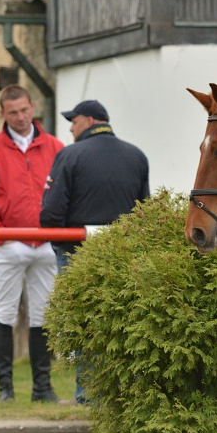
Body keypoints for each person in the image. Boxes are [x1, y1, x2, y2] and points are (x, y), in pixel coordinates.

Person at [40, 99, 150, 404]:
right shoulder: (137, 156)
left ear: (88, 121)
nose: (71, 128)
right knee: (121, 323)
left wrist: (59, 241)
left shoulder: (70, 154)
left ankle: (87, 395)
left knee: (84, 325)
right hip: (123, 254)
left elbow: (50, 213)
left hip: (76, 252)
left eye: (73, 122)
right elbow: (145, 210)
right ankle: (119, 396)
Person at [0, 84, 64, 402]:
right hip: (8, 244)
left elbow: (64, 193)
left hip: (47, 243)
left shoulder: (55, 146)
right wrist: (1, 235)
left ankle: (42, 388)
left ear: (32, 107)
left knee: (42, 314)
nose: (20, 117)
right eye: (12, 112)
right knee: (5, 312)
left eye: (24, 110)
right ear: (2, 113)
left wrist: (55, 232)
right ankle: (6, 390)